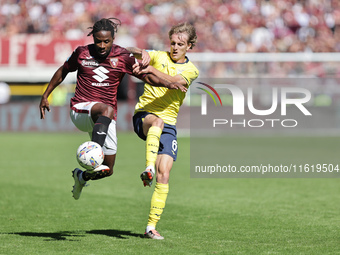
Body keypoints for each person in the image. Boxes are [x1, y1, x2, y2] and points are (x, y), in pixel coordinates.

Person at [39, 18, 186, 200]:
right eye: (98, 41)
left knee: (107, 169)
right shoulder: (82, 53)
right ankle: (95, 149)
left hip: (105, 119)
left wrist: (167, 84)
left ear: (113, 38)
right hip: (81, 109)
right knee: (106, 110)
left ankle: (81, 176)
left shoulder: (124, 57)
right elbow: (63, 70)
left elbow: (146, 77)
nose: (102, 45)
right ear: (93, 38)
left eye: (106, 41)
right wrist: (46, 95)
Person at [130, 22, 199, 239]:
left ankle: (151, 227)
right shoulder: (159, 56)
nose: (175, 47)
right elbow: (134, 51)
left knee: (165, 175)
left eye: (180, 44)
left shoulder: (191, 70)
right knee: (157, 122)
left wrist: (150, 69)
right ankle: (148, 167)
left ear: (190, 46)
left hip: (169, 125)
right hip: (145, 116)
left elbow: (175, 82)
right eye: (172, 43)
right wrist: (135, 51)